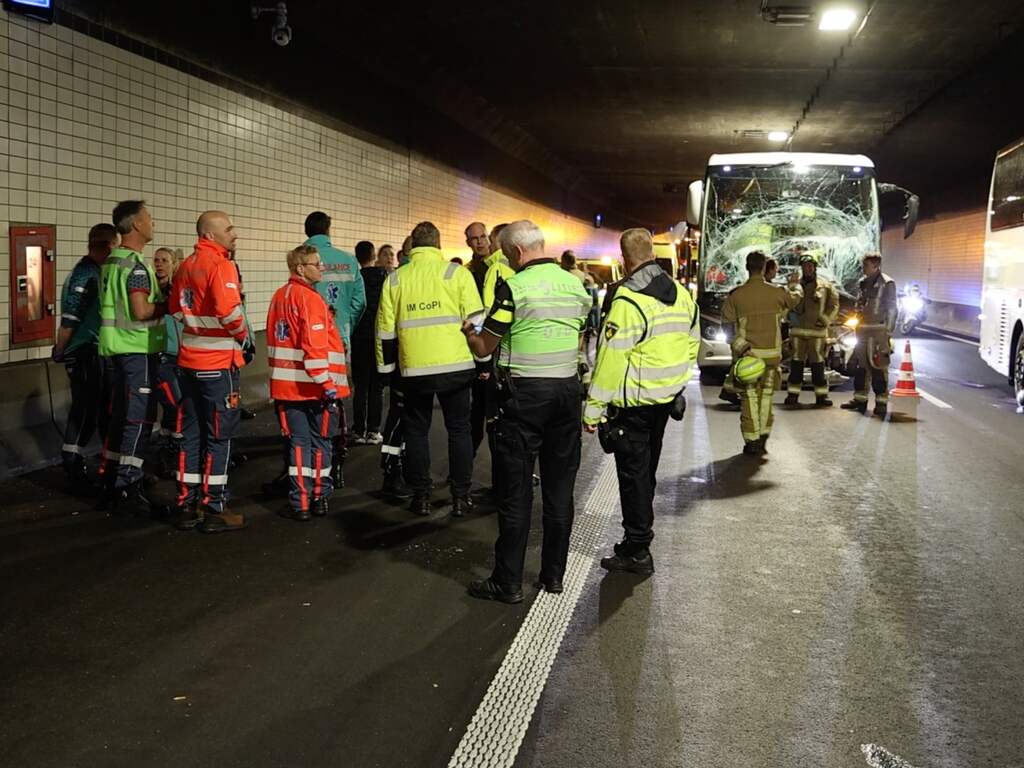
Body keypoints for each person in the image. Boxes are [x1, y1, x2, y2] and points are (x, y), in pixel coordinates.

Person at [461, 220, 591, 603]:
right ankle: (553, 576)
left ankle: (508, 581)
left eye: (505, 255)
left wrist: (469, 331)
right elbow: (578, 330)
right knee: (559, 489)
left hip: (525, 396)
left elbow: (485, 346)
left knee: (516, 490)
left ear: (517, 253)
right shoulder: (575, 284)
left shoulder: (513, 287)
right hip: (567, 392)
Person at [583, 228, 699, 575]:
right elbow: (692, 344)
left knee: (633, 476)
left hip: (633, 404)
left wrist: (593, 409)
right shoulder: (680, 294)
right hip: (664, 400)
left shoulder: (628, 300)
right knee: (645, 473)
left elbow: (610, 360)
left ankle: (637, 549)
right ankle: (638, 538)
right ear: (651, 253)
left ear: (624, 260)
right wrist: (673, 382)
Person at [376, 221, 483, 516]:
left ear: (413, 245)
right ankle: (461, 497)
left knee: (416, 432)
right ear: (438, 244)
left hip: (414, 371)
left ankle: (421, 496)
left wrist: (386, 370)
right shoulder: (457, 273)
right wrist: (483, 362)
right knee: (459, 430)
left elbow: (385, 330)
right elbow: (477, 320)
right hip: (458, 367)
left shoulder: (396, 279)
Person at [167, 212, 252, 532]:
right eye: (229, 229)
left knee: (190, 434)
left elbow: (175, 309)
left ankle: (186, 503)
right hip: (217, 367)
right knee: (220, 436)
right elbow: (230, 311)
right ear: (211, 235)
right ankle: (214, 505)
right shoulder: (221, 265)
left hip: (188, 365)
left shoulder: (187, 265)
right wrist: (243, 338)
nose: (235, 234)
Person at [267, 245, 349, 521]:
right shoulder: (311, 300)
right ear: (300, 268)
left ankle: (299, 502)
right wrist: (327, 383)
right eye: (316, 264)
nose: (321, 268)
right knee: (321, 442)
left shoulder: (278, 297)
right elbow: (314, 348)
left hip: (286, 388)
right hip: (314, 387)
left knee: (298, 444)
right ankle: (319, 497)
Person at [97, 200, 167, 513]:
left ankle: (111, 476)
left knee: (121, 416)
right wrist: (170, 304)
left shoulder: (113, 260)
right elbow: (141, 311)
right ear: (137, 224)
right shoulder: (136, 266)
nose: (152, 222)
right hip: (137, 349)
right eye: (148, 217)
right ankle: (128, 485)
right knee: (139, 419)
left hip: (116, 349)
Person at [303, 211, 365, 488]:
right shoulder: (348, 261)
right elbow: (360, 302)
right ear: (329, 229)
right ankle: (335, 461)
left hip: (306, 342)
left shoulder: (301, 260)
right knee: (335, 400)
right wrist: (345, 325)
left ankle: (305, 458)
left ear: (307, 231)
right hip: (338, 340)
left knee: (306, 399)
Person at [53, 223, 118, 483]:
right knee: (85, 410)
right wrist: (61, 350)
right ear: (109, 245)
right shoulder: (86, 276)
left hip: (93, 350)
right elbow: (70, 320)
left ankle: (109, 465)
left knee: (99, 409)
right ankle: (72, 462)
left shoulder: (94, 272)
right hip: (84, 352)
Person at [721, 251, 802, 455]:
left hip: (748, 358)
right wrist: (795, 284)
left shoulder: (736, 295)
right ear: (765, 268)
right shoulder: (776, 293)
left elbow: (727, 327)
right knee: (766, 398)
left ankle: (751, 441)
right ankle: (764, 436)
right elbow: (794, 300)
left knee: (749, 399)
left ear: (747, 267)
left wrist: (741, 346)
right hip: (771, 358)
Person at [841, 252, 898, 418]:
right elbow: (860, 304)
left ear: (875, 265)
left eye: (865, 265)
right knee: (860, 366)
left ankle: (881, 403)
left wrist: (887, 331)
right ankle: (860, 400)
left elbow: (892, 309)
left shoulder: (887, 283)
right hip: (862, 330)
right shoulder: (863, 283)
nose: (863, 268)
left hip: (877, 331)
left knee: (877, 366)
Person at [784, 253, 839, 407]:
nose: (808, 268)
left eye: (810, 265)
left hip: (817, 333)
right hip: (797, 333)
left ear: (815, 267)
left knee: (818, 365)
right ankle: (792, 396)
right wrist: (792, 320)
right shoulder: (794, 286)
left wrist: (825, 320)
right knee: (796, 365)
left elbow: (834, 305)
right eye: (805, 266)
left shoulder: (826, 286)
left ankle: (821, 397)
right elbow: (786, 304)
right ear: (801, 268)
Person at [152, 247, 184, 478]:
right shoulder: (149, 290)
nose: (160, 264)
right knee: (175, 405)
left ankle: (171, 452)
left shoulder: (178, 292)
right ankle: (169, 454)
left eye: (165, 260)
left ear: (174, 264)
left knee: (177, 409)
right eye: (157, 260)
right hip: (160, 357)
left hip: (181, 358)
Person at [350, 240, 385, 444]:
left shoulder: (355, 279)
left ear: (357, 257)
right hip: (379, 337)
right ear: (373, 255)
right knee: (377, 386)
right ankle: (373, 430)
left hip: (359, 337)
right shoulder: (384, 278)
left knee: (361, 385)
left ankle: (358, 430)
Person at [465, 221, 491, 298]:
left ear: (488, 238)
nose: (479, 242)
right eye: (474, 238)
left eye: (483, 236)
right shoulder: (466, 271)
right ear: (468, 243)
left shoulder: (503, 263)